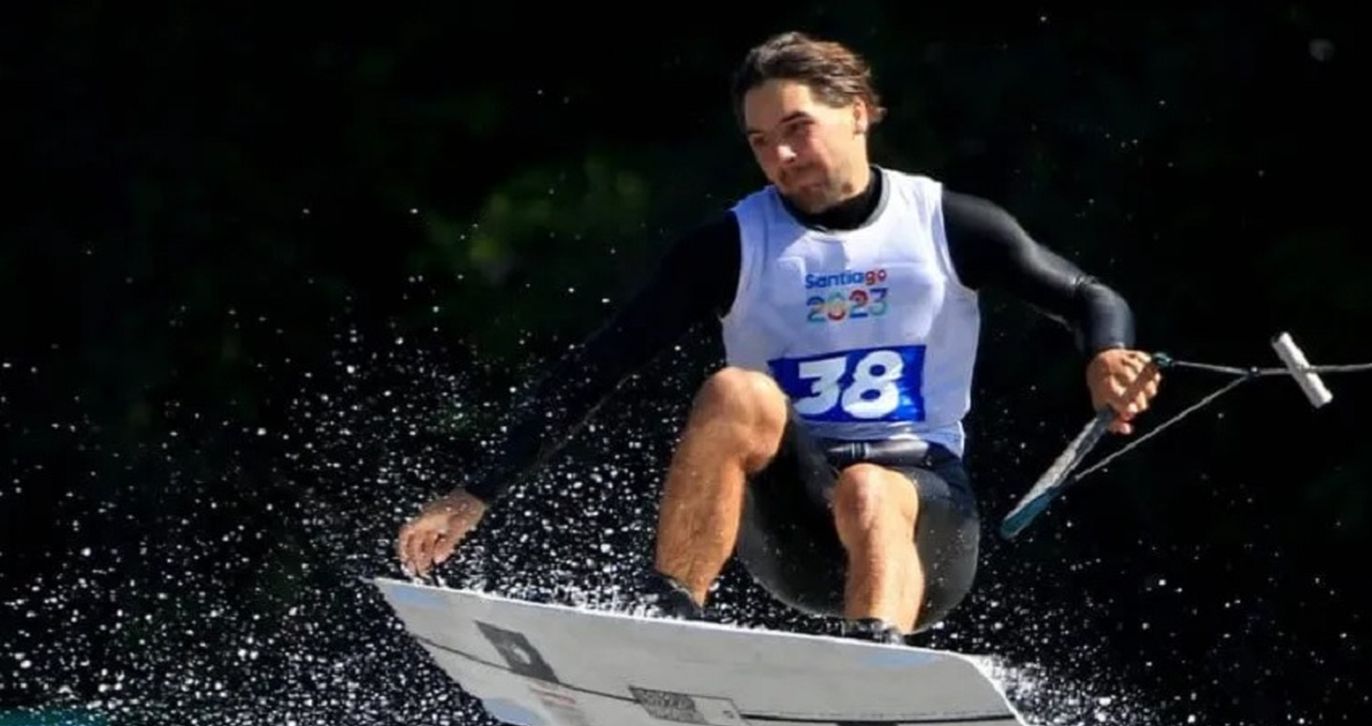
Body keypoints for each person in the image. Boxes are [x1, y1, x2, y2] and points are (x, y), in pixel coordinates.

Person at [395, 31, 1162, 645]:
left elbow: (1090, 295)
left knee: (870, 488)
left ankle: (880, 665)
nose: (783, 156)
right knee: (737, 391)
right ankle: (670, 620)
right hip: (793, 528)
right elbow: (598, 364)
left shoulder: (948, 223)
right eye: (762, 142)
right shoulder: (732, 244)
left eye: (798, 129)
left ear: (859, 110)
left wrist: (1105, 352)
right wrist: (476, 492)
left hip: (926, 523)